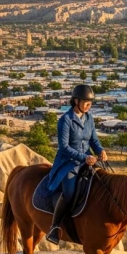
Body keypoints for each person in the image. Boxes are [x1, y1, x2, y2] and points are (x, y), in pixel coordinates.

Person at [45, 85, 107, 245]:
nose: (88, 105)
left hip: (88, 160)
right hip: (68, 163)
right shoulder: (65, 120)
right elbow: (64, 147)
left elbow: (94, 140)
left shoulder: (89, 118)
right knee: (70, 192)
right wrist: (84, 157)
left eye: (90, 102)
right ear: (76, 101)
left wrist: (101, 150)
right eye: (86, 102)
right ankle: (54, 226)